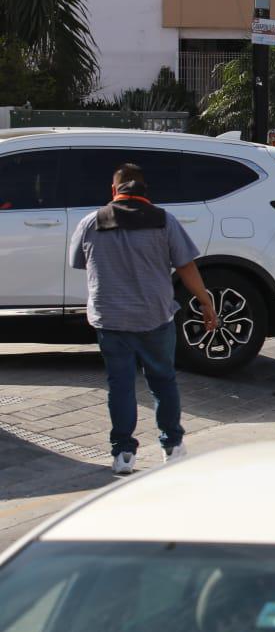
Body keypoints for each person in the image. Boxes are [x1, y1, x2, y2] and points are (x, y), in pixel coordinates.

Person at [68, 163, 219, 475]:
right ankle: (172, 448)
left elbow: (78, 262)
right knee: (163, 381)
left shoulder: (90, 222)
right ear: (145, 191)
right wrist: (205, 301)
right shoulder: (165, 221)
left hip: (110, 319)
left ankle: (123, 454)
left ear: (114, 190)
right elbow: (186, 266)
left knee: (120, 386)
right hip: (155, 316)